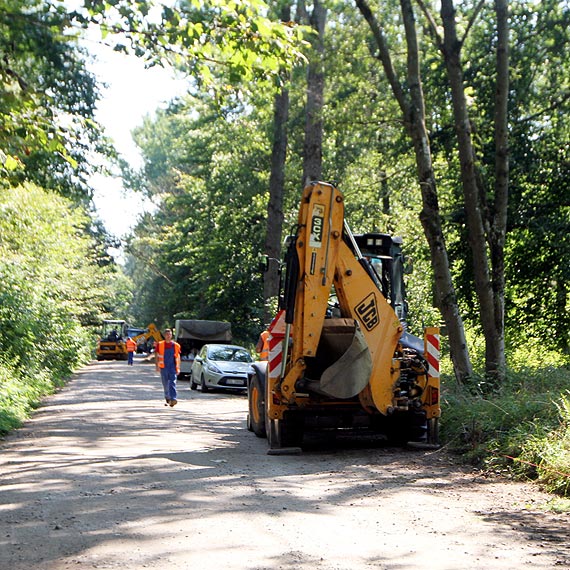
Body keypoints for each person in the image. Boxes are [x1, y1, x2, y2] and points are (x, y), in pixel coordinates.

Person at [155, 328, 181, 407]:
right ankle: (167, 397)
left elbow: (178, 357)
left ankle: (173, 398)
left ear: (171, 335)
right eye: (166, 335)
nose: (168, 336)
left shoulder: (176, 345)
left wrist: (178, 367)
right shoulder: (160, 344)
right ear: (164, 335)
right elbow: (156, 355)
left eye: (169, 334)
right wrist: (157, 366)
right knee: (165, 383)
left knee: (172, 382)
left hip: (172, 367)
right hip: (164, 367)